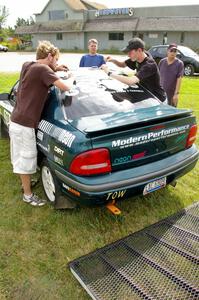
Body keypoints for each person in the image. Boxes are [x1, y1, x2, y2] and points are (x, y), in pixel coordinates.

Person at [9, 40, 75, 207]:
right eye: (56, 60)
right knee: (27, 159)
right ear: (50, 56)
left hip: (17, 120)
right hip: (25, 125)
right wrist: (72, 77)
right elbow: (65, 87)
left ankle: (25, 185)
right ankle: (28, 196)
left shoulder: (28, 65)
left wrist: (55, 69)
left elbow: (43, 71)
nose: (57, 63)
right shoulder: (43, 70)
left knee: (20, 157)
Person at [103, 37, 166, 103]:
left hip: (156, 98)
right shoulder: (138, 57)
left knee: (121, 96)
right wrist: (113, 60)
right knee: (115, 93)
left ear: (139, 50)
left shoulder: (149, 65)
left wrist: (109, 73)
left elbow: (131, 81)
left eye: (130, 52)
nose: (128, 55)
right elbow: (122, 65)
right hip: (144, 91)